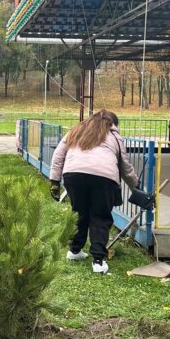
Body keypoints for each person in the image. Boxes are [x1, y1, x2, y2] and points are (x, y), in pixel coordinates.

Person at [49, 109, 140, 274]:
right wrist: (137, 187)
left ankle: (74, 251)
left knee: (79, 212)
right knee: (100, 217)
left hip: (73, 174)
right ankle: (98, 261)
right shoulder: (115, 137)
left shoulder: (76, 130)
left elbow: (58, 155)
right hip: (104, 177)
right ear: (112, 124)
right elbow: (126, 167)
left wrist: (54, 181)